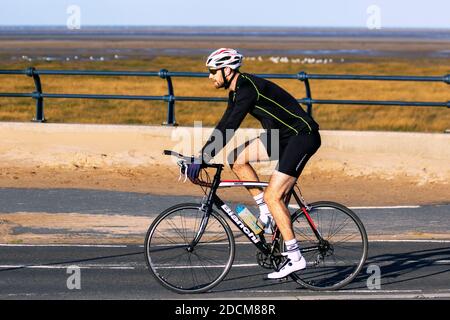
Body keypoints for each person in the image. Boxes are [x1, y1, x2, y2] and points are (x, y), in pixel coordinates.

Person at [187, 48, 321, 279]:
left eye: (212, 71)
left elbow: (231, 127)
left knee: (273, 195)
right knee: (236, 160)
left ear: (227, 70)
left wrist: (203, 158)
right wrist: (201, 156)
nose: (209, 76)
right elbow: (224, 124)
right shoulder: (237, 90)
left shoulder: (248, 88)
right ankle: (265, 211)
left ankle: (295, 257)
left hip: (301, 136)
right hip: (282, 136)